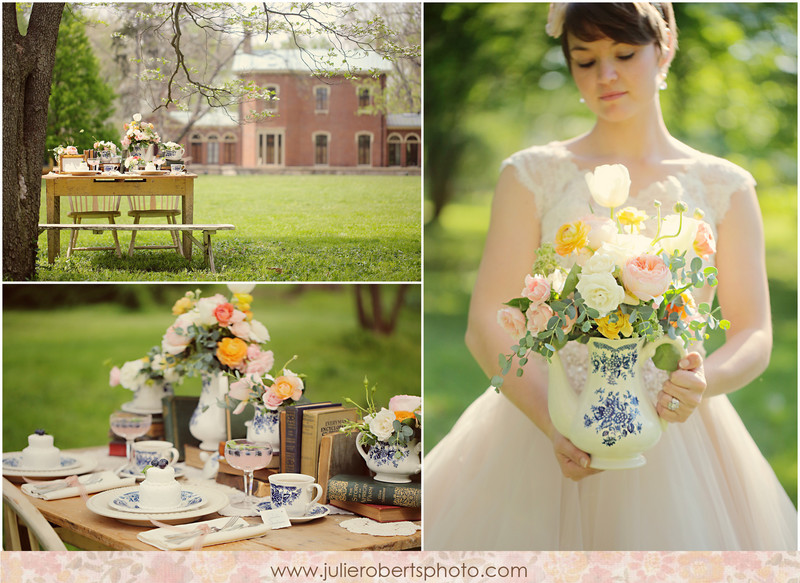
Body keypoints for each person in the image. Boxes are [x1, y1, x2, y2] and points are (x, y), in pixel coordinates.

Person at [423, 2, 797, 550]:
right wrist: (555, 425)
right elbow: (486, 321)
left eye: (624, 54)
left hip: (676, 433)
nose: (606, 76)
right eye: (585, 59)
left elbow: (754, 331)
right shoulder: (533, 174)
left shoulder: (725, 186)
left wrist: (701, 384)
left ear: (663, 47)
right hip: (544, 417)